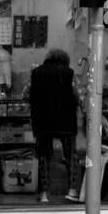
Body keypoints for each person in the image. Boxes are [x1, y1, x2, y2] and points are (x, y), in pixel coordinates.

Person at [29, 48, 79, 203]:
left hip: (43, 120)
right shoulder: (69, 73)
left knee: (43, 156)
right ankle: (71, 190)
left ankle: (44, 194)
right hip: (66, 120)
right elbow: (76, 95)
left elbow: (28, 94)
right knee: (70, 155)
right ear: (64, 60)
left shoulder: (36, 72)